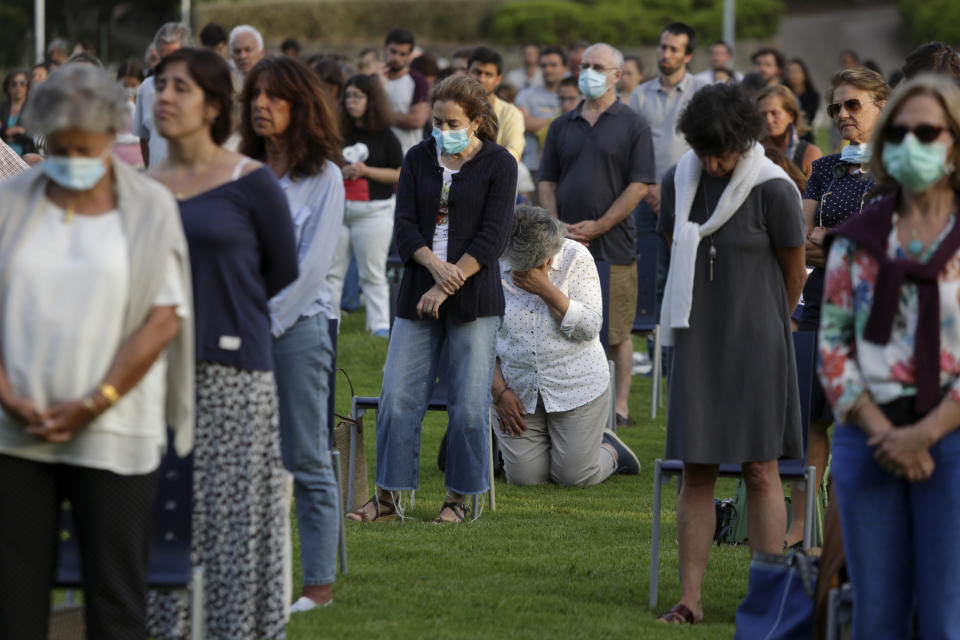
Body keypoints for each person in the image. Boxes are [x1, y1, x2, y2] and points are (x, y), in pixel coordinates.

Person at [0, 63, 193, 639]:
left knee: (115, 600)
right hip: (16, 431)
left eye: (84, 148)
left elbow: (163, 318)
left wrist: (96, 399)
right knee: (14, 601)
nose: (72, 159)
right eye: (59, 147)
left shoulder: (149, 206)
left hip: (115, 427)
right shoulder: (10, 202)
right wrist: (8, 396)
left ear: (112, 137)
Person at [146, 47, 298, 640]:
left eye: (179, 87)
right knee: (165, 520)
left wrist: (220, 311)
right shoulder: (141, 187)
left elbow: (280, 268)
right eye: (160, 85)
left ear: (213, 106)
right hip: (153, 373)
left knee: (237, 520)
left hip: (233, 369)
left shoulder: (250, 181)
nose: (164, 96)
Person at [655, 82, 806, 624]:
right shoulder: (678, 182)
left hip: (760, 345)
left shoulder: (774, 189)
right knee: (696, 470)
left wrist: (765, 324)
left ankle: (766, 604)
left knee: (761, 470)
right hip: (696, 343)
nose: (714, 164)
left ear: (745, 140)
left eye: (722, 152)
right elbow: (675, 255)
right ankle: (689, 600)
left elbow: (794, 275)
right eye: (705, 152)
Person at [818, 74, 960, 640]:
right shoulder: (855, 238)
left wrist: (925, 434)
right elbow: (833, 349)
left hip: (949, 438)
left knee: (946, 615)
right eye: (898, 132)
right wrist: (884, 433)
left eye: (927, 131)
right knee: (877, 615)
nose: (911, 144)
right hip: (866, 436)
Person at [346, 75, 517, 525]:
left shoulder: (500, 164)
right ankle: (386, 501)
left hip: (473, 298)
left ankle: (457, 501)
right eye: (437, 121)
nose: (442, 129)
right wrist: (433, 269)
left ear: (477, 123)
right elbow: (404, 226)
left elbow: (493, 236)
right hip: (416, 296)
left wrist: (446, 282)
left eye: (452, 122)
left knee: (467, 405)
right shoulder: (418, 158)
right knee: (397, 398)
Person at [240, 55, 345, 615]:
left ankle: (318, 586)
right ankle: (253, 574)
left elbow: (312, 270)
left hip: (296, 330)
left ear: (300, 106)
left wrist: (264, 324)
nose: (261, 104)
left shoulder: (324, 178)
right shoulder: (237, 170)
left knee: (306, 457)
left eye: (274, 96)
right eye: (255, 94)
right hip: (236, 333)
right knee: (247, 462)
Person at [785, 67, 890, 548]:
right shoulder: (824, 168)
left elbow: (892, 246)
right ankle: (800, 527)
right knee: (811, 419)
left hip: (872, 309)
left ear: (883, 107)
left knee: (856, 418)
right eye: (837, 107)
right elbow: (799, 245)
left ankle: (847, 531)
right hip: (818, 302)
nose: (843, 114)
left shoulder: (896, 168)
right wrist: (847, 243)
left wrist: (835, 238)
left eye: (854, 105)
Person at [540, 42, 655, 428]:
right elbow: (547, 182)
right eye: (584, 65)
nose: (587, 72)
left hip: (615, 244)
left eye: (597, 66)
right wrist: (556, 229)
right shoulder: (561, 125)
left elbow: (639, 185)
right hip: (564, 246)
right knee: (565, 325)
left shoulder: (633, 124)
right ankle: (570, 403)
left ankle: (618, 407)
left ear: (616, 76)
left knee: (618, 330)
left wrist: (601, 223)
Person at [494, 205, 640, 486]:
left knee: (574, 477)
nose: (523, 272)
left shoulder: (577, 256)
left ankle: (611, 451)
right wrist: (499, 393)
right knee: (526, 480)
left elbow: (589, 328)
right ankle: (545, 451)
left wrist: (546, 289)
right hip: (516, 389)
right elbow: (480, 338)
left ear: (549, 256)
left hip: (577, 386)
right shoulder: (493, 262)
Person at [628, 22, 708, 361]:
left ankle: (689, 351)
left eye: (674, 48)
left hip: (691, 195)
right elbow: (631, 147)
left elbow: (704, 143)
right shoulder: (640, 94)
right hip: (646, 198)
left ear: (688, 55)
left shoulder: (702, 92)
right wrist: (649, 188)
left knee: (689, 273)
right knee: (652, 275)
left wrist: (671, 190)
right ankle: (656, 352)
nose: (666, 54)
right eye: (663, 47)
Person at [326, 73, 402, 336]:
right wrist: (341, 170)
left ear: (371, 100)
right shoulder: (336, 132)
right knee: (331, 273)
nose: (351, 101)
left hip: (374, 213)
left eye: (357, 96)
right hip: (338, 211)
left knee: (372, 273)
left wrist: (367, 171)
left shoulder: (385, 136)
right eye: (348, 96)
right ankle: (329, 323)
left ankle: (379, 325)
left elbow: (399, 173)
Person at [133, 22, 190, 167]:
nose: (170, 65)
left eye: (176, 57)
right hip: (158, 181)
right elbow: (144, 137)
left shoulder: (202, 86)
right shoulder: (146, 88)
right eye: (164, 59)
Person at [468, 46, 525, 164]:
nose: (481, 79)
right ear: (467, 72)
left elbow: (514, 151)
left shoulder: (511, 113)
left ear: (498, 79)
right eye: (476, 72)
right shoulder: (455, 108)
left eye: (488, 74)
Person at [515, 46, 564, 180]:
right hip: (533, 168)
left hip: (565, 169)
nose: (547, 69)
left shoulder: (576, 96)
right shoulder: (526, 95)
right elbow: (524, 123)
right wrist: (561, 119)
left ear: (565, 68)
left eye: (553, 65)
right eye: (543, 65)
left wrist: (539, 123)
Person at [380, 28, 430, 156]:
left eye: (402, 54)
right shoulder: (374, 79)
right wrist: (377, 85)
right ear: (385, 48)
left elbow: (417, 120)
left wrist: (382, 116)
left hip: (408, 155)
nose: (396, 58)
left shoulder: (418, 81)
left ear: (409, 55)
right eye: (393, 51)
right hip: (380, 156)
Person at [757, 84, 822, 176]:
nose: (769, 120)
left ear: (791, 115)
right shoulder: (754, 152)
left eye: (774, 113)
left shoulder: (808, 153)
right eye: (763, 114)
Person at [115, 59, 146, 167]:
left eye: (133, 85)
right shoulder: (111, 105)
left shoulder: (147, 105)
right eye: (125, 85)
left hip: (141, 164)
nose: (129, 89)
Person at [0, 69, 35, 156]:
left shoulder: (33, 108)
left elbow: (34, 135)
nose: (18, 87)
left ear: (27, 86)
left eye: (22, 83)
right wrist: (17, 131)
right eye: (14, 84)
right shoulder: (1, 107)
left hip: (27, 157)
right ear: (8, 87)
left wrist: (7, 133)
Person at [784, 57, 819, 132]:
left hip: (805, 134)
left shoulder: (812, 95)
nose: (792, 76)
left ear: (804, 74)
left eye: (795, 72)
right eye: (789, 72)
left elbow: (809, 117)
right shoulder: (783, 93)